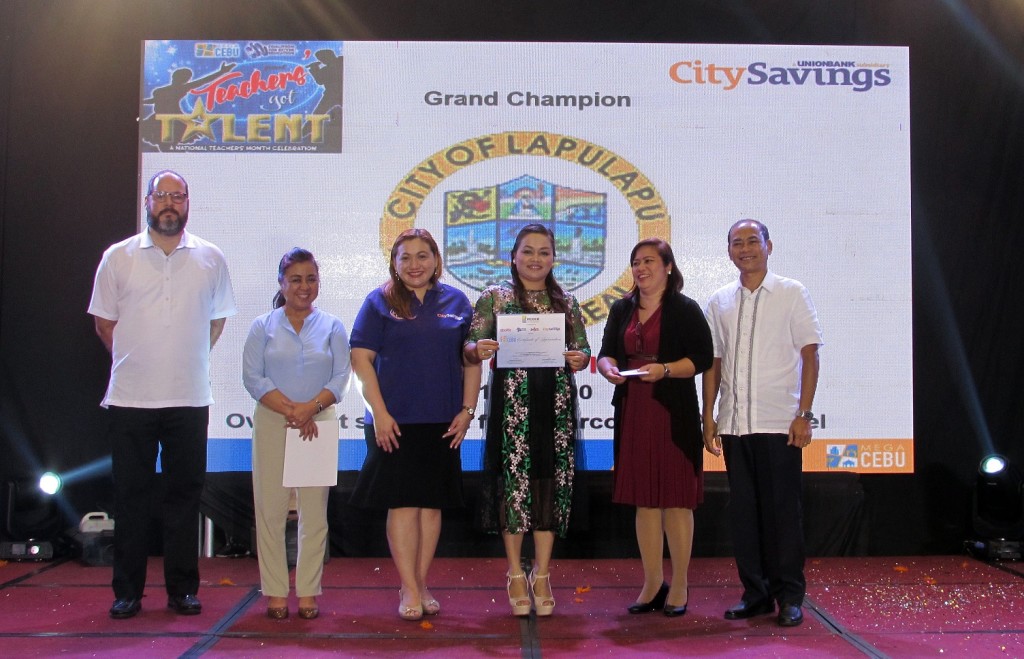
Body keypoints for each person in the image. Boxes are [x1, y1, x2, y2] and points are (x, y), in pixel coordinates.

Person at [88, 170, 236, 619]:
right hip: (131, 399)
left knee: (184, 497)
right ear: (148, 202)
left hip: (190, 399)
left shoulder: (210, 257)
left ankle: (182, 590)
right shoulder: (118, 257)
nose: (169, 203)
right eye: (162, 196)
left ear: (188, 203)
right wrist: (143, 359)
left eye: (178, 196)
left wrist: (180, 359)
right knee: (131, 497)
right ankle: (127, 592)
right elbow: (104, 323)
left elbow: (217, 320)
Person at [349, 229, 481, 621]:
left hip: (443, 421)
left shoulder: (458, 302)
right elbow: (361, 359)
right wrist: (380, 413)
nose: (415, 265)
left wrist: (467, 410)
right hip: (395, 423)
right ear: (394, 262)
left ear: (437, 261)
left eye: (423, 256)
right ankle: (407, 585)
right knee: (403, 505)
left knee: (431, 507)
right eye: (406, 258)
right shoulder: (378, 302)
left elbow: (470, 361)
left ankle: (422, 582)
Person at [464, 223, 591, 617]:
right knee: (514, 484)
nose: (536, 259)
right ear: (513, 256)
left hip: (555, 406)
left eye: (544, 252)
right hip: (512, 407)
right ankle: (515, 572)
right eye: (528, 251)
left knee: (549, 483)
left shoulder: (565, 301)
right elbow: (469, 346)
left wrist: (579, 359)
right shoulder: (494, 298)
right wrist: (477, 349)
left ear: (554, 259)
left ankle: (543, 573)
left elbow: (583, 350)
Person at [702, 219, 823, 628]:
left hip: (778, 422)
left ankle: (790, 595)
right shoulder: (719, 300)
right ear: (729, 251)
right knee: (745, 515)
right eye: (738, 243)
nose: (746, 249)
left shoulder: (791, 293)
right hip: (736, 424)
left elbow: (810, 355)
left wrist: (804, 415)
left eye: (754, 241)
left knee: (783, 514)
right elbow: (714, 363)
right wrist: (709, 417)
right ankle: (755, 594)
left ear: (769, 246)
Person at [597, 238, 713, 617]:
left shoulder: (685, 309)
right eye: (635, 262)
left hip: (672, 412)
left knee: (676, 502)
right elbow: (606, 353)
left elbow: (699, 359)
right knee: (644, 502)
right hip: (634, 410)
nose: (640, 268)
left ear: (668, 266)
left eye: (648, 261)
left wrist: (663, 370)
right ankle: (651, 583)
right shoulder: (621, 308)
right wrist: (609, 369)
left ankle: (679, 585)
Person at [242, 248, 351, 620]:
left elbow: (340, 378)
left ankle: (308, 591)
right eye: (296, 279)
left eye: (311, 279)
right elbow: (253, 378)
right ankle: (274, 591)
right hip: (275, 421)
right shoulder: (263, 326)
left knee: (314, 514)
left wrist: (311, 408)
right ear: (281, 283)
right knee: (270, 511)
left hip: (317, 423)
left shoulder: (333, 325)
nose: (304, 287)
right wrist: (292, 410)